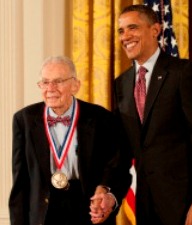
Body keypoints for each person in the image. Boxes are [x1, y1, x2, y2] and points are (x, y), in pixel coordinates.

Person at [114, 4, 192, 225]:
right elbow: (124, 146)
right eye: (121, 31)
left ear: (155, 30)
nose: (126, 36)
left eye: (133, 28)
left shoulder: (184, 73)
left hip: (185, 205)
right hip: (143, 204)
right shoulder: (121, 83)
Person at [8, 56, 131, 225]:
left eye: (58, 81)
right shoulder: (24, 120)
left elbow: (118, 167)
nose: (50, 89)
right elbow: (20, 183)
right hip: (43, 213)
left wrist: (106, 192)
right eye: (45, 82)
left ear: (75, 85)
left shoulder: (102, 118)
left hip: (87, 208)